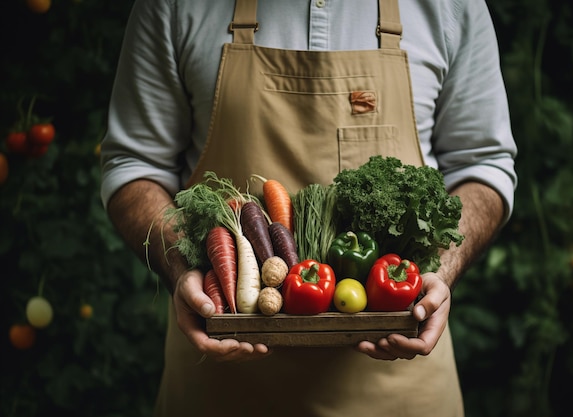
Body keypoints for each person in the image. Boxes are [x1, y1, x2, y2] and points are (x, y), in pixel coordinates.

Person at [100, 0, 517, 416]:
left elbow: (483, 165)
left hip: (400, 389)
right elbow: (135, 166)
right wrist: (181, 267)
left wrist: (440, 270)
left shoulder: (451, 6)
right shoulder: (174, 6)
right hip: (223, 384)